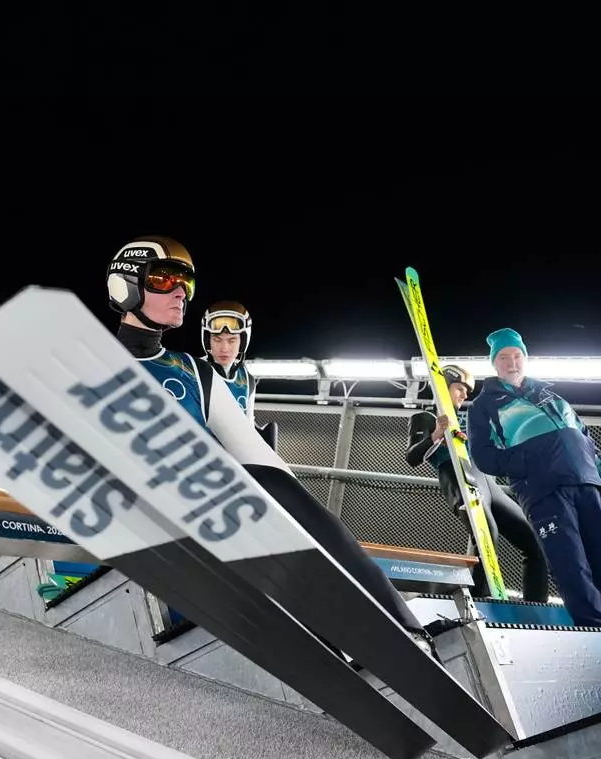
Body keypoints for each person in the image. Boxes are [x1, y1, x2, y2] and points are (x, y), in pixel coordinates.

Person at [104, 235, 437, 656]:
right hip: (146, 522)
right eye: (165, 279)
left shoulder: (193, 373)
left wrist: (297, 513)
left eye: (185, 283)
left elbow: (263, 462)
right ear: (126, 286)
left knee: (282, 493)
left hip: (208, 513)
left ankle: (395, 625)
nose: (179, 292)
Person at [467, 328, 601, 629]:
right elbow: (484, 457)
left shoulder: (553, 396)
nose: (512, 363)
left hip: (586, 482)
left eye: (517, 356)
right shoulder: (485, 405)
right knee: (570, 564)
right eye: (503, 358)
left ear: (525, 359)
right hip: (543, 489)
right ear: (494, 364)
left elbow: (586, 440)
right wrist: (532, 461)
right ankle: (598, 626)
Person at [406, 364, 550, 603]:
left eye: (467, 391)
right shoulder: (426, 418)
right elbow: (412, 457)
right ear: (443, 387)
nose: (464, 395)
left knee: (534, 541)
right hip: (459, 479)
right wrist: (436, 434)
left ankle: (536, 605)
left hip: (489, 484)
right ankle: (480, 601)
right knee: (486, 534)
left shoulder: (469, 421)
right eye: (459, 388)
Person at [200, 301, 258, 423]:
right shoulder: (191, 372)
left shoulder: (247, 381)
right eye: (217, 339)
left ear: (242, 342)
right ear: (207, 341)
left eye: (231, 340)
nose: (224, 348)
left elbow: (248, 428)